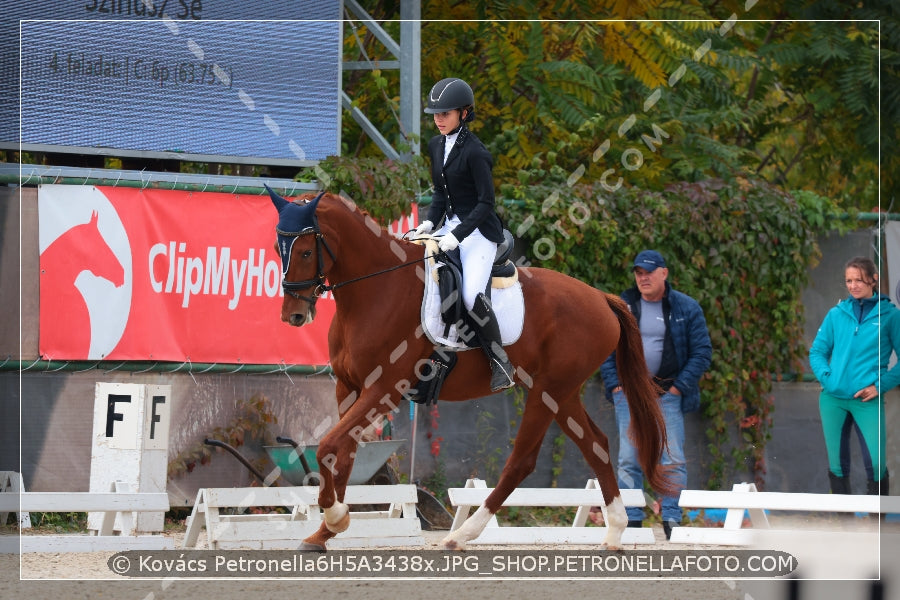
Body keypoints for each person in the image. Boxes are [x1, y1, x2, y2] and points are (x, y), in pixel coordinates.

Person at [600, 250, 712, 540]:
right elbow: (605, 348)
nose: (643, 277)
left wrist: (677, 388)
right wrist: (616, 385)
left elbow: (702, 352)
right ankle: (633, 518)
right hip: (630, 394)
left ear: (664, 273)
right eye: (638, 273)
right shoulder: (621, 307)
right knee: (628, 457)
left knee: (671, 456)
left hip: (668, 395)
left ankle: (672, 517)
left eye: (649, 272)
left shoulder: (687, 308)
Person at [413, 77, 514, 393]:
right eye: (435, 114)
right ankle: (441, 349)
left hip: (478, 232)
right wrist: (429, 224)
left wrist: (457, 235)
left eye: (445, 113)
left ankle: (501, 362)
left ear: (464, 114)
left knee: (470, 295)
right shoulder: (435, 144)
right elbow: (441, 194)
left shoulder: (476, 153)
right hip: (447, 227)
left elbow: (486, 203)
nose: (438, 119)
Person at [809, 256, 900, 496]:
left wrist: (879, 386)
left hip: (867, 401)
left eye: (859, 280)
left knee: (876, 465)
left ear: (874, 279)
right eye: (849, 280)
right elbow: (817, 351)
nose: (853, 286)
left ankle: (876, 527)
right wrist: (828, 378)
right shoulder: (836, 314)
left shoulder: (890, 316)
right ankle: (845, 526)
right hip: (833, 400)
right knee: (838, 466)